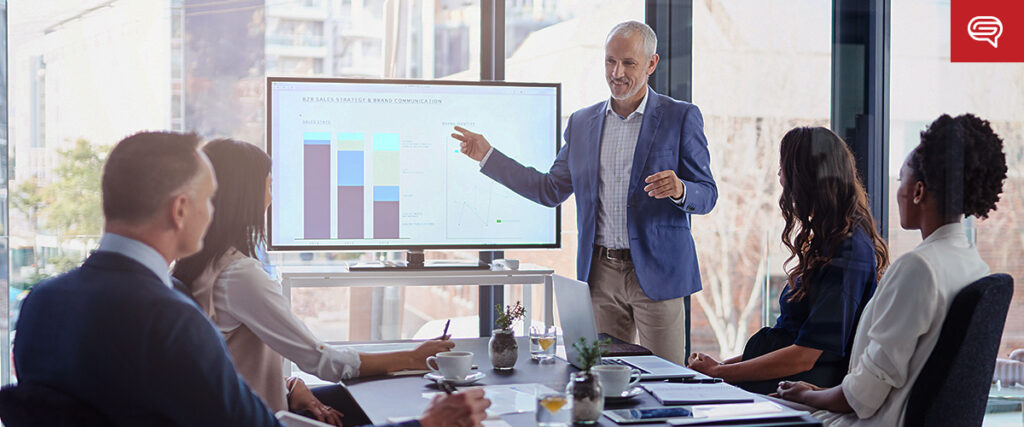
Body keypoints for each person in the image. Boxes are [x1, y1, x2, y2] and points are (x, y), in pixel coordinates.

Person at [12, 131, 490, 427]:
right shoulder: (173, 319)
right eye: (208, 197)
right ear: (182, 210)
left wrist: (290, 390)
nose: (213, 209)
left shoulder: (40, 304)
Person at [452, 20, 716, 365]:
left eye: (629, 63)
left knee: (666, 380)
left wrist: (681, 189)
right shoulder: (582, 122)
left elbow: (707, 194)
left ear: (651, 64)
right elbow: (549, 190)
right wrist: (488, 155)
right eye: (610, 61)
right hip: (600, 275)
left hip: (658, 273)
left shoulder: (680, 117)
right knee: (601, 376)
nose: (616, 72)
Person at [172, 139, 456, 425]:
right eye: (268, 186)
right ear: (246, 195)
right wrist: (411, 358)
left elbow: (226, 363)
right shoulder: (239, 275)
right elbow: (322, 361)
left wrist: (289, 384)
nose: (272, 197)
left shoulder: (197, 266)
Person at [776, 113, 1008, 426]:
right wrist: (816, 391)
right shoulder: (974, 266)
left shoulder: (919, 268)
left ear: (918, 192)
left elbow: (861, 398)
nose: (897, 191)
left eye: (901, 179)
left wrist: (804, 395)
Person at [687, 127, 889, 394]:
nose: (780, 177)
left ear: (806, 179)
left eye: (784, 169)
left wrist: (721, 373)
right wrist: (719, 368)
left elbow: (805, 355)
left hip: (797, 387)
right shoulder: (831, 241)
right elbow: (791, 340)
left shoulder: (848, 251)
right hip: (783, 379)